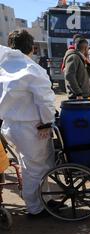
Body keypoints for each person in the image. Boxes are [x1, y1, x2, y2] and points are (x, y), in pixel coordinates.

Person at [0, 30, 56, 217]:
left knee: (33, 165)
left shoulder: (3, 65)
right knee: (35, 167)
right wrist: (47, 123)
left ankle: (45, 198)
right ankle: (36, 207)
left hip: (9, 125)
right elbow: (45, 101)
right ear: (32, 47)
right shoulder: (31, 69)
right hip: (32, 126)